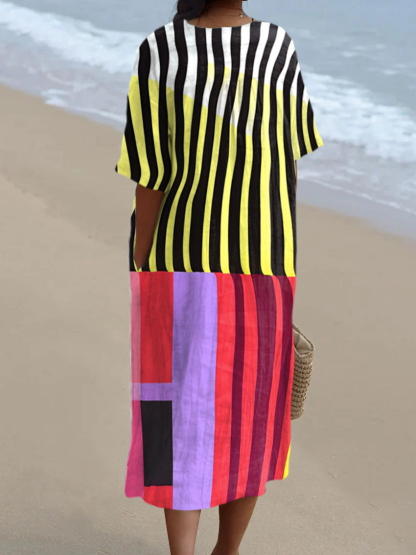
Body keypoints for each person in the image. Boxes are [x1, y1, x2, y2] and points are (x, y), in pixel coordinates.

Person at [114, 0, 324, 553]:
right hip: (262, 262)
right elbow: (287, 164)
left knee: (173, 412)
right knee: (250, 418)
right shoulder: (277, 47)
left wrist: (142, 260)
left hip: (178, 257)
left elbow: (148, 176)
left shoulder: (161, 49)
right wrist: (282, 256)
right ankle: (225, 552)